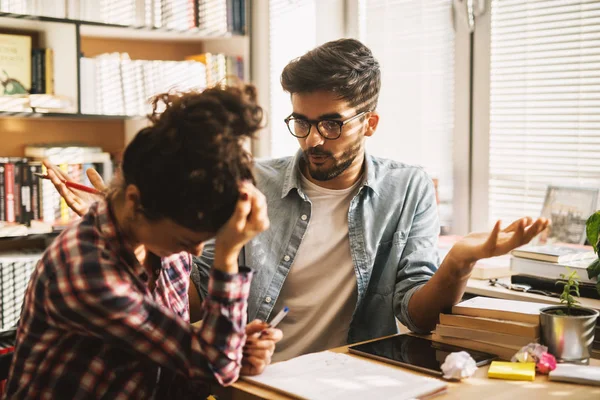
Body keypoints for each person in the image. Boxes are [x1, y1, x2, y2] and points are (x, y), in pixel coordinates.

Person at [47, 39, 549, 364]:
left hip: (353, 377)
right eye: (302, 122)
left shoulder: (407, 186)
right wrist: (143, 236)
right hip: (253, 374)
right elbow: (194, 297)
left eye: (331, 124)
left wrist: (459, 261)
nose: (312, 140)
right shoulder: (254, 182)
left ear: (369, 123)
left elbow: (416, 317)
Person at [4, 84, 278, 399]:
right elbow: (214, 366)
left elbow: (173, 351)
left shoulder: (166, 245)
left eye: (206, 240)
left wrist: (231, 342)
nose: (196, 252)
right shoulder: (85, 269)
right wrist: (227, 259)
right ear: (135, 201)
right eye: (185, 239)